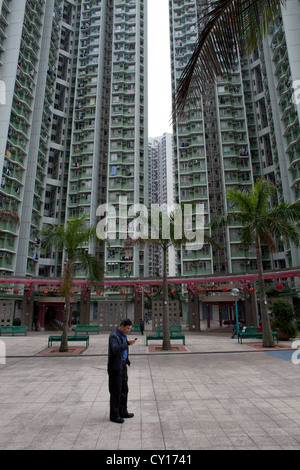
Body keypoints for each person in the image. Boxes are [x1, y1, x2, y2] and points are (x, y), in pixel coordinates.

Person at [107, 319, 136, 423]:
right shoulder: (114, 336)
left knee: (124, 389)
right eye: (127, 328)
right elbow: (115, 350)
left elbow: (123, 350)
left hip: (122, 365)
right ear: (122, 326)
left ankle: (123, 411)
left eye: (130, 329)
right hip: (115, 367)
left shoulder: (123, 335)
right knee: (116, 391)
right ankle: (114, 415)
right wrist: (127, 344)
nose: (128, 330)